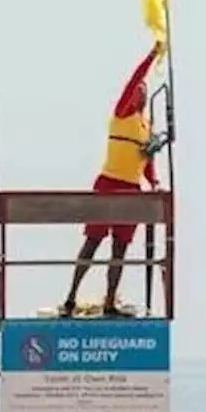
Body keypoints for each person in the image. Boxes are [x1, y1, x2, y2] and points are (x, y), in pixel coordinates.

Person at [59, 40, 168, 317]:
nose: (138, 90)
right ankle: (70, 297)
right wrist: (153, 55)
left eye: (143, 90)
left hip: (132, 189)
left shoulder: (145, 127)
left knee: (120, 248)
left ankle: (109, 301)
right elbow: (135, 79)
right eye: (136, 89)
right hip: (109, 183)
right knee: (93, 241)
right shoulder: (121, 114)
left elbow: (146, 162)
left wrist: (153, 182)